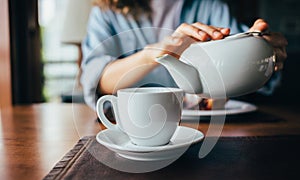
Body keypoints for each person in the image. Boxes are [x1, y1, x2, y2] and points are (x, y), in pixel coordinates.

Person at [81, 0, 288, 110]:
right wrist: (151, 55)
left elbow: (250, 61)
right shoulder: (106, 12)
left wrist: (263, 49)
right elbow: (98, 80)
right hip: (133, 128)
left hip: (209, 131)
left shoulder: (209, 6)